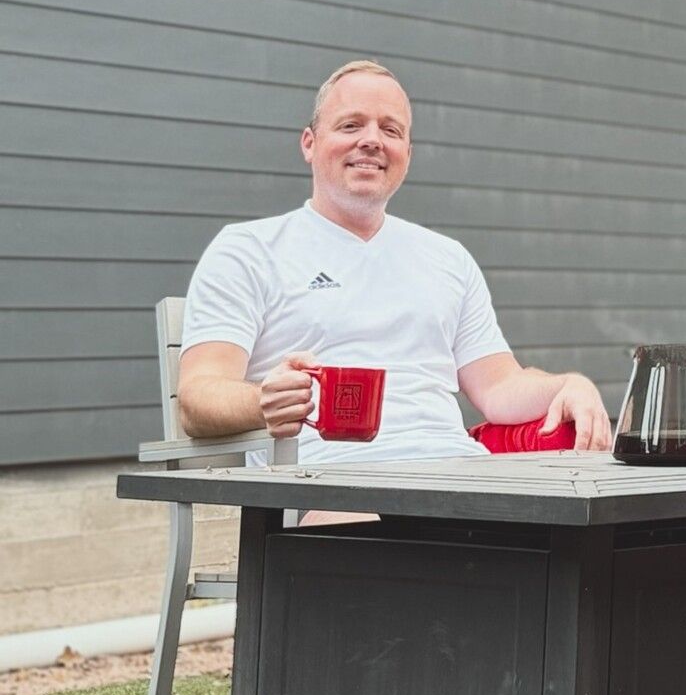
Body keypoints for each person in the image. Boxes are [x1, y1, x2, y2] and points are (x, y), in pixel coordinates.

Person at [177, 59, 612, 463]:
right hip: (329, 480)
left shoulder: (447, 258)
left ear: (407, 153)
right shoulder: (250, 250)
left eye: (391, 129)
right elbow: (197, 398)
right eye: (350, 125)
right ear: (310, 143)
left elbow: (500, 386)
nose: (371, 140)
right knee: (362, 523)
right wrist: (263, 401)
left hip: (458, 475)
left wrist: (568, 385)